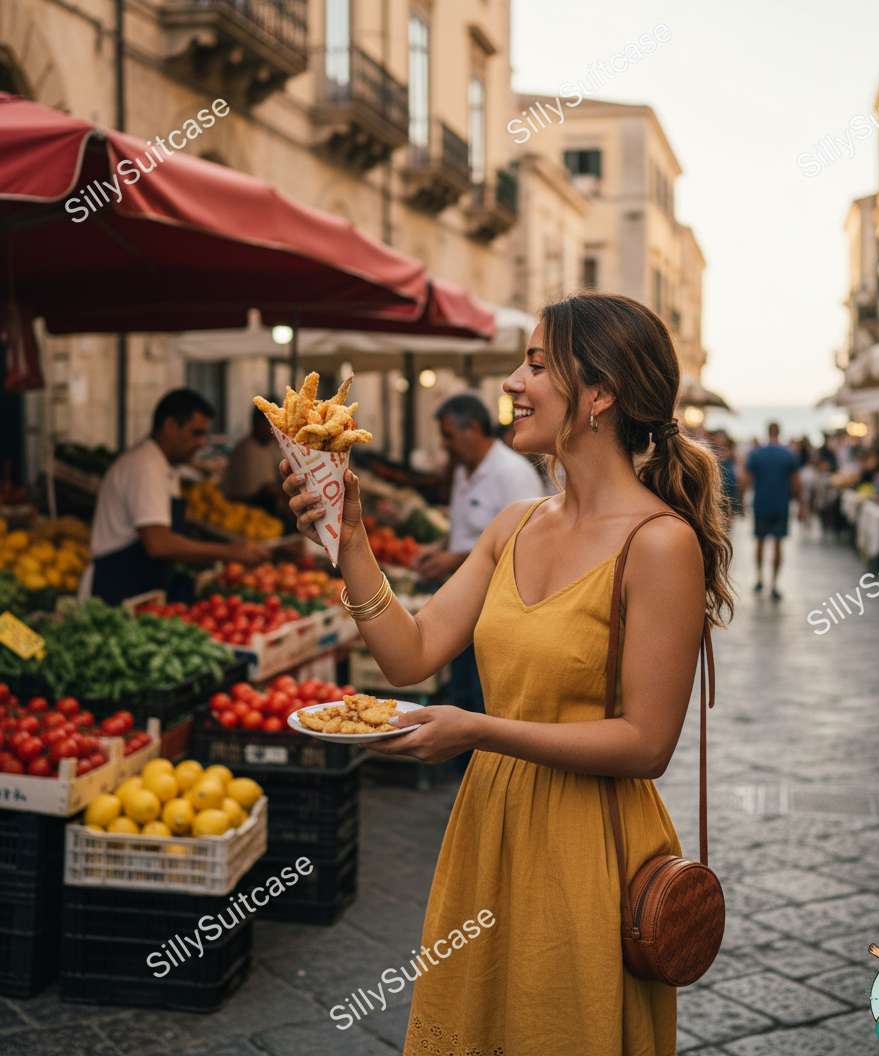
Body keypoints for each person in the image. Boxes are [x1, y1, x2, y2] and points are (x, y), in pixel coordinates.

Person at [282, 292, 733, 1055]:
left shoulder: (661, 545)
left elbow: (647, 743)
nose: (513, 384)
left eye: (534, 364)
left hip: (591, 843)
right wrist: (348, 540)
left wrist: (475, 730)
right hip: (489, 825)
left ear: (600, 393)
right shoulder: (513, 525)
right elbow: (411, 654)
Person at [412, 393, 544, 725]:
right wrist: (440, 546)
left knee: (483, 692)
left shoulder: (512, 473)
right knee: (463, 687)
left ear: (472, 429)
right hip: (464, 599)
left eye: (448, 436)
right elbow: (468, 528)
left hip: (496, 606)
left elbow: (525, 543)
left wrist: (453, 559)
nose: (445, 445)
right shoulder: (465, 469)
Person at [86, 389, 265, 606]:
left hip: (139, 584)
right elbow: (158, 543)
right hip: (119, 587)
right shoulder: (145, 467)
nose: (201, 443)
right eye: (196, 433)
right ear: (170, 426)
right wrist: (229, 552)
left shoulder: (164, 465)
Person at [744, 421, 799, 601]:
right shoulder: (788, 455)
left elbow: (746, 479)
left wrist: (741, 503)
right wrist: (802, 504)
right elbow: (796, 482)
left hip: (761, 503)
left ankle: (759, 578)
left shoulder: (757, 454)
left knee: (759, 542)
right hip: (780, 505)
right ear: (779, 432)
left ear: (767, 432)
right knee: (778, 544)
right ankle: (774, 584)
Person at [222, 404, 282, 506]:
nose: (274, 430)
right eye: (270, 424)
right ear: (257, 423)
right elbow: (246, 494)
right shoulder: (244, 451)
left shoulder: (273, 447)